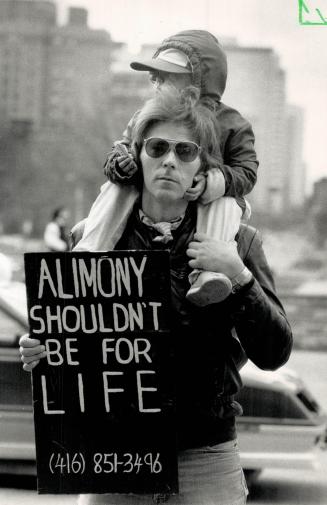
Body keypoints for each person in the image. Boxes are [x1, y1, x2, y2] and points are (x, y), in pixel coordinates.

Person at [20, 88, 292, 505]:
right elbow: (73, 357)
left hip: (204, 456)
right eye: (157, 147)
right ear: (138, 156)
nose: (169, 160)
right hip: (115, 456)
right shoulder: (90, 237)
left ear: (203, 167)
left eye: (185, 151)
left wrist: (237, 274)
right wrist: (44, 351)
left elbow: (275, 352)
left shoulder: (237, 241)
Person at [76, 30, 258, 307]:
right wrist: (122, 164)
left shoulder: (232, 123)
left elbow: (247, 170)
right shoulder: (146, 116)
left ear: (199, 79)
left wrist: (215, 182)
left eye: (168, 75)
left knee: (224, 205)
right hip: (153, 201)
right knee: (115, 189)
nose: (158, 82)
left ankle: (209, 273)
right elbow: (122, 147)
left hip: (211, 196)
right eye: (155, 76)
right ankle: (90, 251)